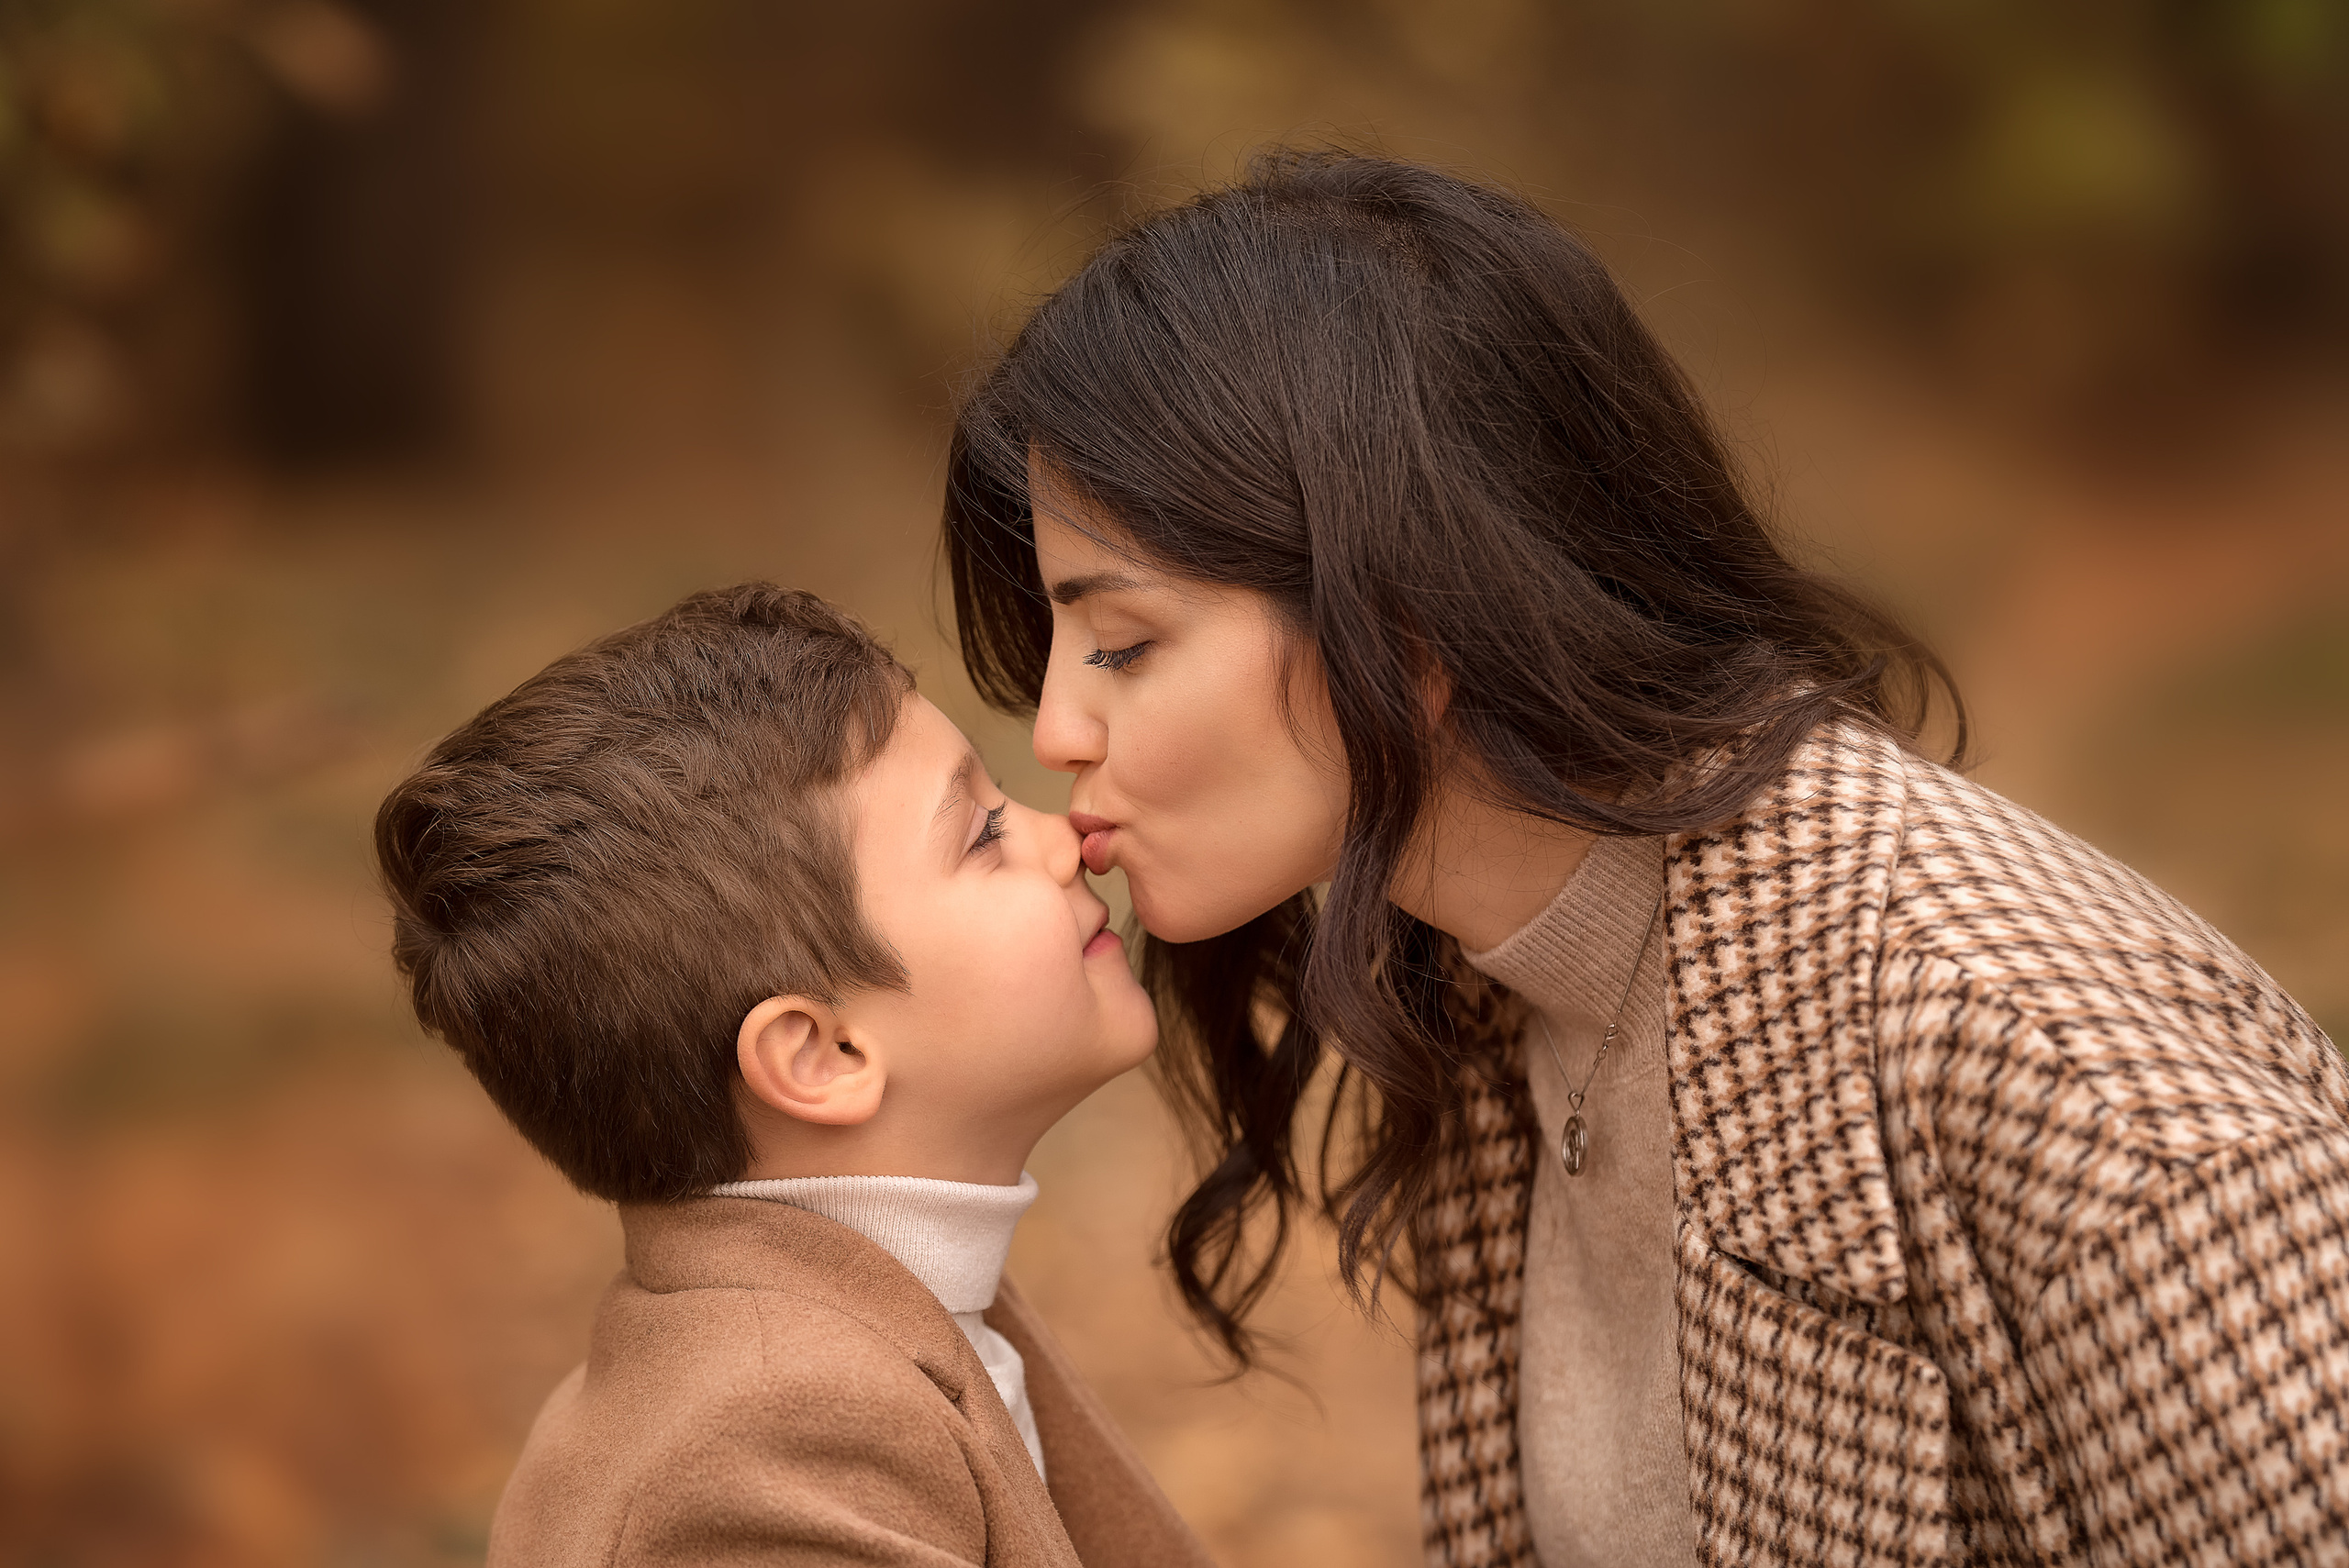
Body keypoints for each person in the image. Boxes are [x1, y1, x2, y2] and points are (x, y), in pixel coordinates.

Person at [941, 150, 2349, 1567]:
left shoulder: (2062, 1085)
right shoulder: (1493, 979)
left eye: (1123, 642)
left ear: (1413, 615)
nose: (1057, 726)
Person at [373, 583, 1211, 1568]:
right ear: (822, 1055)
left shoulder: (866, 1327)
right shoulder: (769, 1447)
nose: (1063, 839)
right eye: (983, 833)